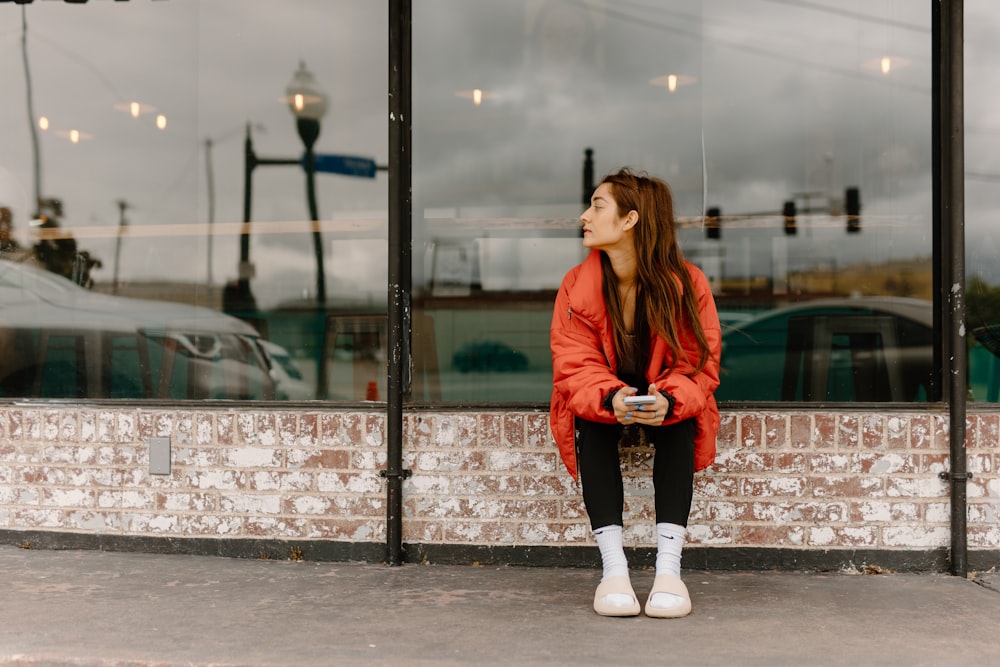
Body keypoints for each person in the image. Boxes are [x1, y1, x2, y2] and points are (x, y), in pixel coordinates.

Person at [549, 168, 721, 618]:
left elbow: (699, 366)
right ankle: (613, 570)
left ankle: (669, 571)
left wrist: (670, 399)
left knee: (680, 421)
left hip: (663, 398)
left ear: (630, 220)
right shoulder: (575, 284)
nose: (585, 216)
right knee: (592, 421)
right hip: (606, 399)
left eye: (597, 206)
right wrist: (611, 400)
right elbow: (573, 366)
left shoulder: (689, 284)